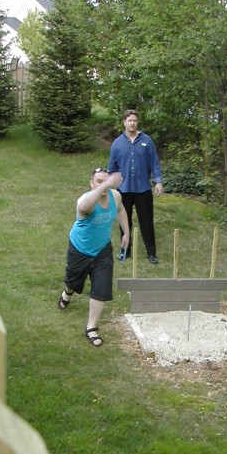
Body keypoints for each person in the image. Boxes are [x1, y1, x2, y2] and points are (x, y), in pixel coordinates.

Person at [57, 168, 130, 347]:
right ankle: (68, 292)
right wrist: (105, 185)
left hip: (102, 250)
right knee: (73, 281)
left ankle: (91, 327)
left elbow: (120, 210)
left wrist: (126, 232)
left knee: (101, 288)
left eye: (106, 180)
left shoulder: (115, 196)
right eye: (98, 181)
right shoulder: (85, 200)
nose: (103, 184)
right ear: (92, 183)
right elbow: (84, 208)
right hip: (80, 249)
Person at [108, 109, 163, 264]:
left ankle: (151, 253)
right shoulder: (117, 144)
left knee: (147, 222)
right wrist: (111, 186)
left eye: (134, 121)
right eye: (129, 120)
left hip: (143, 189)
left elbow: (155, 163)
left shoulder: (147, 141)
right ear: (124, 122)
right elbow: (112, 168)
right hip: (123, 190)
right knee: (124, 223)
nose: (132, 123)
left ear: (137, 123)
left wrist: (158, 181)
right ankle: (126, 251)